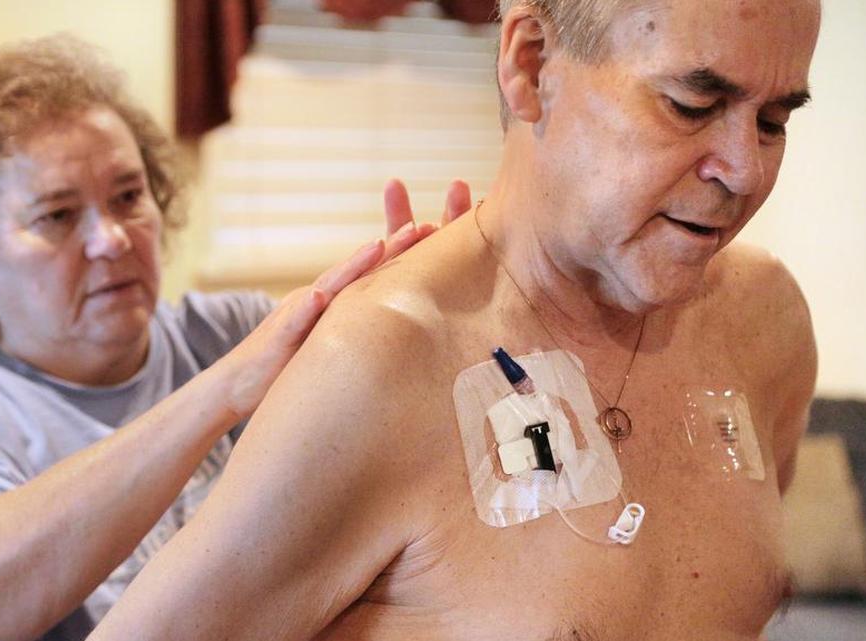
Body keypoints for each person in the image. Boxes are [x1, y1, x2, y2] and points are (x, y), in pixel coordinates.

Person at [90, 0, 821, 639]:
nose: (743, 170)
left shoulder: (764, 321)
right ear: (531, 67)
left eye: (774, 121)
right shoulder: (383, 362)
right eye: (691, 107)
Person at [0, 35, 470, 641]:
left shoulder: (223, 331)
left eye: (128, 195)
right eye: (56, 215)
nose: (112, 239)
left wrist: (434, 314)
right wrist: (221, 393)